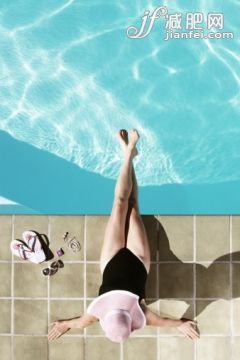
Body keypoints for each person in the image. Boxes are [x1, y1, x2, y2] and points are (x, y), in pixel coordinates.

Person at [48, 129, 199, 342]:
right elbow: (163, 323)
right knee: (133, 206)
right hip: (139, 261)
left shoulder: (95, 314)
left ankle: (128, 154)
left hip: (110, 260)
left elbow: (80, 323)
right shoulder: (142, 313)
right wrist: (181, 325)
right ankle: (129, 154)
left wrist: (64, 325)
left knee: (119, 204)